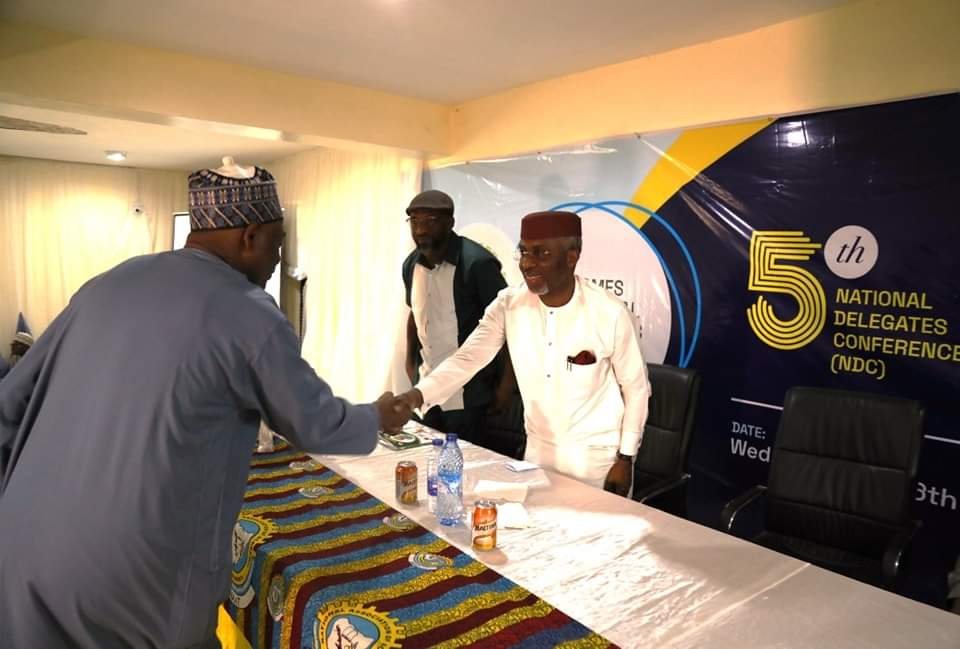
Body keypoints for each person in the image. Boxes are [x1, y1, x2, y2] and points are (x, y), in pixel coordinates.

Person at [0, 165, 411, 649]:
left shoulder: (108, 283)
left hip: (23, 551)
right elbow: (314, 422)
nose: (279, 259)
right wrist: (376, 416)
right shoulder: (248, 310)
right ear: (250, 235)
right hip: (130, 578)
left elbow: (10, 403)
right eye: (277, 243)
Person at [400, 210, 649, 494]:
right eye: (524, 252)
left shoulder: (609, 313)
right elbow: (467, 359)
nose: (528, 263)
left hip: (596, 460)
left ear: (571, 257)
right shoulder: (509, 304)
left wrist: (626, 458)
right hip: (537, 454)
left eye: (541, 254)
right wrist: (414, 397)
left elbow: (636, 388)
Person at [402, 189, 512, 444]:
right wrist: (409, 364)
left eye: (430, 221)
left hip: (470, 393)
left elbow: (507, 326)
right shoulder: (410, 265)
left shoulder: (477, 264)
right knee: (427, 457)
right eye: (415, 221)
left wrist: (506, 386)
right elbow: (413, 315)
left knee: (465, 465)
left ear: (450, 223)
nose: (420, 230)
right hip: (426, 384)